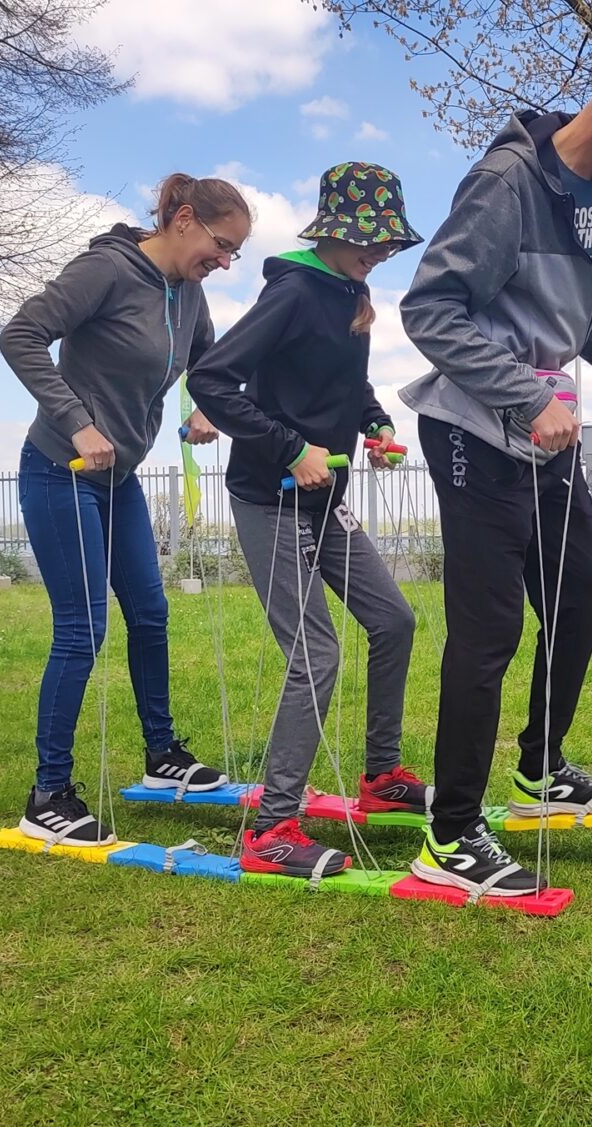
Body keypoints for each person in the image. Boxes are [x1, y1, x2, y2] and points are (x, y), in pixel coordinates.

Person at [397, 23, 592, 896]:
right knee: (491, 628)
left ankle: (540, 770)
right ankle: (451, 838)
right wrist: (526, 397)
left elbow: (576, 312)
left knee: (582, 597)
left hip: (547, 435)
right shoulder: (508, 183)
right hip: (474, 430)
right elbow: (430, 310)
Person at [187, 162, 429, 879]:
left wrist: (376, 422)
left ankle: (381, 777)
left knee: (394, 621)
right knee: (314, 655)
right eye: (371, 239)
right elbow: (211, 379)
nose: (380, 252)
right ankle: (271, 829)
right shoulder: (293, 290)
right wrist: (291, 448)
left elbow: (344, 383)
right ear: (333, 232)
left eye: (388, 242)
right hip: (270, 498)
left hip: (326, 503)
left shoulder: (349, 293)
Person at [0, 173, 248, 847]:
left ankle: (163, 756)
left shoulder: (188, 291)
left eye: (235, 253)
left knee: (150, 612)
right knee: (82, 629)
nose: (225, 262)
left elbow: (210, 364)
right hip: (61, 470)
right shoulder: (106, 271)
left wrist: (206, 406)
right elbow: (21, 335)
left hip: (120, 478)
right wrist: (78, 423)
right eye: (222, 245)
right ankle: (48, 795)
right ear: (184, 219)